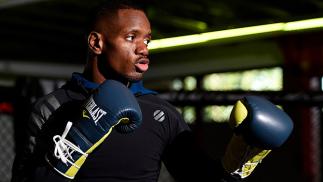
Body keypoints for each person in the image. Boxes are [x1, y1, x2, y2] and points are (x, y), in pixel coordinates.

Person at [11, 0, 293, 181]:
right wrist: (76, 144)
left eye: (147, 39)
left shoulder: (162, 113)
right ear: (96, 44)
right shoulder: (53, 107)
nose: (143, 48)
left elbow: (200, 178)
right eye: (131, 37)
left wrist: (243, 153)